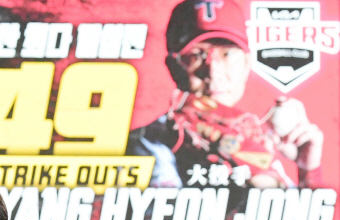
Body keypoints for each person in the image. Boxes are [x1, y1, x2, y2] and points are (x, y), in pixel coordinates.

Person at [127, 0, 324, 190]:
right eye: (196, 56)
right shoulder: (149, 142)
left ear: (247, 64)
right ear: (173, 68)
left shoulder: (252, 139)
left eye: (227, 54)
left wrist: (309, 171)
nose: (213, 73)